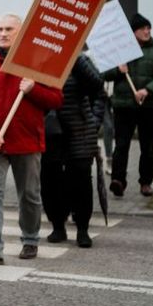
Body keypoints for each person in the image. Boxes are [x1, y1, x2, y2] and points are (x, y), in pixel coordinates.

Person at [0, 13, 62, 265]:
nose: (3, 33)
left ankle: (30, 239)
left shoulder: (37, 62)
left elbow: (55, 99)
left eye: (9, 28)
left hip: (27, 140)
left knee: (30, 194)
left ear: (21, 32)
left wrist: (34, 90)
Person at [104, 13, 153, 198]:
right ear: (133, 32)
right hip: (123, 106)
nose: (147, 31)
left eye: (148, 28)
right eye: (143, 28)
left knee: (148, 146)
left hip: (148, 106)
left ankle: (146, 183)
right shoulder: (120, 51)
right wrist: (118, 71)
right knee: (121, 145)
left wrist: (148, 90)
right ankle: (118, 180)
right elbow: (103, 73)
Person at [43, 53, 106, 248]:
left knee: (80, 181)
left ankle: (82, 229)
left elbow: (98, 89)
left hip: (80, 132)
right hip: (50, 132)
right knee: (50, 181)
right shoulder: (41, 59)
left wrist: (94, 120)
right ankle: (58, 225)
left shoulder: (79, 60)